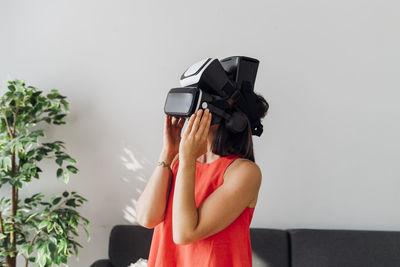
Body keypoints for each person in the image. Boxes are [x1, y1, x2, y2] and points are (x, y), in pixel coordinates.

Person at [136, 93, 269, 266]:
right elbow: (147, 218)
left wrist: (188, 160)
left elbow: (185, 233)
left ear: (235, 121)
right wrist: (168, 153)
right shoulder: (180, 161)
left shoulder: (244, 172)